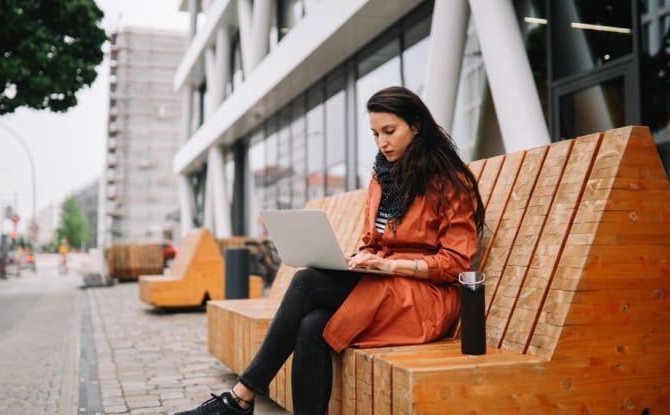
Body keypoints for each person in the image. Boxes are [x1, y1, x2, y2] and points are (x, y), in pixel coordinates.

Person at [174, 86, 485, 415]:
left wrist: (389, 266)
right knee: (312, 325)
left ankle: (241, 398)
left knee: (307, 282)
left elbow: (456, 264)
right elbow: (373, 243)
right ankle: (244, 401)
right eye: (375, 133)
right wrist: (357, 261)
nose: (381, 142)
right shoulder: (382, 177)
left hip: (426, 298)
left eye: (390, 131)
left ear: (417, 125)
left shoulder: (450, 182)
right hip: (384, 285)